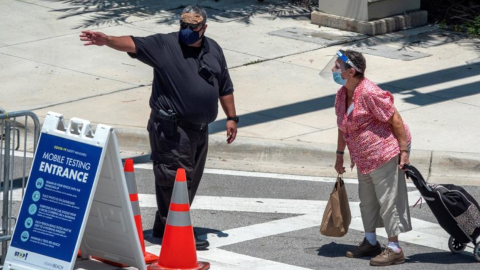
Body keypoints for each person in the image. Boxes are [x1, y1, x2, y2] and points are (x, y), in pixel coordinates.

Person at [79, 5, 239, 250]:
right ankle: (174, 230)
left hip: (199, 129)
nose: (187, 30)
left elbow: (224, 85)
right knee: (175, 179)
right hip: (172, 129)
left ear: (203, 28)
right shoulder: (165, 46)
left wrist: (231, 117)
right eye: (183, 26)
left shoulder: (213, 48)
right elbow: (132, 43)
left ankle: (165, 226)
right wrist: (107, 40)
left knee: (190, 179)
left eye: (192, 27)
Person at [331, 50, 412, 266]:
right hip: (364, 157)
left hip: (383, 153)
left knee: (387, 201)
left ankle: (395, 248)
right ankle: (371, 241)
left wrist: (404, 152)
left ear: (351, 71)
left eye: (337, 66)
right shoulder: (342, 94)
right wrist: (340, 154)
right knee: (367, 201)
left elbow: (395, 119)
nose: (333, 69)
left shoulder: (369, 92)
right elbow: (342, 126)